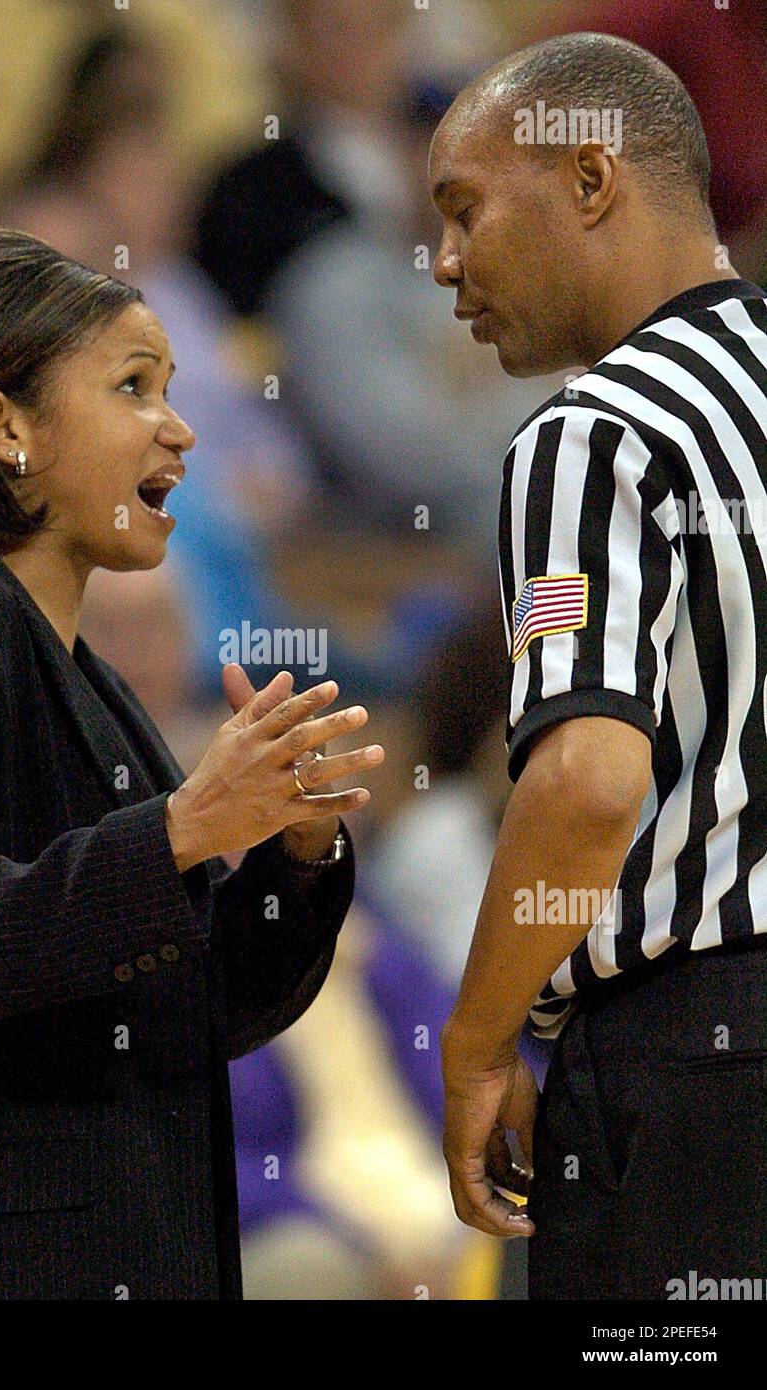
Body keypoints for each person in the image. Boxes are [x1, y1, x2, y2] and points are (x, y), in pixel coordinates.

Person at [0, 227, 385, 1300]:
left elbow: (205, 1011)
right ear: (6, 424)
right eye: (132, 386)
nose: (179, 429)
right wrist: (180, 831)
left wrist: (294, 858)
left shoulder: (91, 677)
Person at [427, 33, 767, 1298]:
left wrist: (475, 1041)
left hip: (697, 1072)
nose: (446, 263)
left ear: (587, 179)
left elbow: (586, 784)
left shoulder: (595, 432)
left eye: (465, 208)